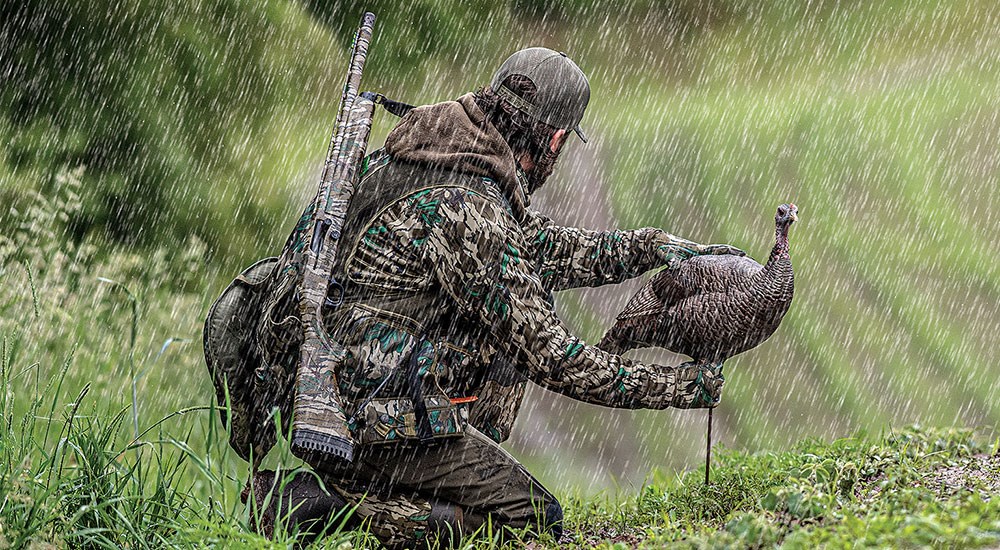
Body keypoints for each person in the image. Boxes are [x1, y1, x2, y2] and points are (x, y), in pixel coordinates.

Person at [244, 47, 741, 548]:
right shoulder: (468, 206)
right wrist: (678, 387)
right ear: (554, 139)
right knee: (534, 521)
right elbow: (553, 357)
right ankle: (310, 507)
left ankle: (393, 488)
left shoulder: (422, 158)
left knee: (509, 321)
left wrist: (650, 249)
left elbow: (532, 249)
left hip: (313, 390)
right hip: (365, 417)